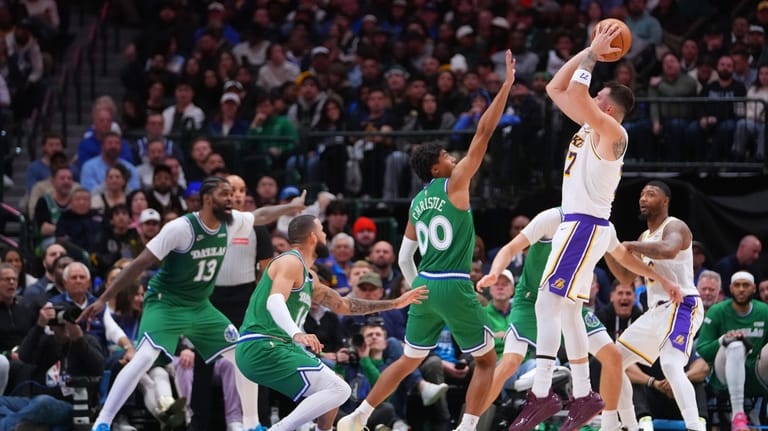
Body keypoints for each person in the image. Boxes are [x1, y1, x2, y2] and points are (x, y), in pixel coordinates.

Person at [338, 49, 516, 431]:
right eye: (448, 156)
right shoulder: (455, 185)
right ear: (437, 167)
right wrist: (505, 87)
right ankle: (467, 428)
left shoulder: (418, 202)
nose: (455, 158)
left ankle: (359, 415)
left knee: (407, 361)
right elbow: (483, 133)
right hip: (452, 283)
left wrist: (414, 288)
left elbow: (405, 256)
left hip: (424, 285)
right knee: (486, 361)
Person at [79, 176, 307, 431]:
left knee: (244, 353)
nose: (231, 199)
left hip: (200, 305)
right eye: (225, 194)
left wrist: (291, 207)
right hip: (166, 303)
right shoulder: (180, 228)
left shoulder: (230, 223)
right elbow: (138, 264)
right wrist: (102, 299)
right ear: (208, 199)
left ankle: (252, 424)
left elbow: (261, 215)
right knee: (144, 358)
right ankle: (102, 422)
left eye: (232, 194)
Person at [508, 23, 639, 431]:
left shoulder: (612, 132)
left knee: (547, 302)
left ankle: (542, 393)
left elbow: (579, 92)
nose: (594, 97)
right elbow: (556, 89)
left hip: (585, 225)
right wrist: (588, 49)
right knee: (567, 312)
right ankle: (584, 395)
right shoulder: (589, 126)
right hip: (578, 226)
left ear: (610, 108)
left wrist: (595, 56)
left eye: (601, 97)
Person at [477, 207, 677, 431]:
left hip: (571, 303)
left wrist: (660, 278)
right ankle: (470, 423)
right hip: (531, 301)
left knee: (613, 357)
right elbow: (510, 247)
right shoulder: (551, 218)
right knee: (510, 362)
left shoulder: (601, 227)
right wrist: (494, 272)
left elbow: (624, 264)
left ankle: (619, 425)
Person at [235, 214, 427, 431]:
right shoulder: (290, 261)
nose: (325, 234)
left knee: (333, 384)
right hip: (261, 344)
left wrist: (394, 303)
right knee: (340, 390)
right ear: (312, 236)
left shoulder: (309, 277)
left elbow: (343, 305)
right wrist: (296, 333)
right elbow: (274, 300)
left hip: (277, 346)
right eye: (322, 231)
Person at [605, 181, 702, 431]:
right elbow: (626, 277)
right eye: (641, 195)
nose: (643, 199)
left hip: (682, 303)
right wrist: (608, 249)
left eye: (651, 194)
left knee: (670, 363)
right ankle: (628, 425)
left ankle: (695, 426)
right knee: (614, 360)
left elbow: (668, 250)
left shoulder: (676, 226)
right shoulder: (643, 237)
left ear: (665, 201)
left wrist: (630, 247)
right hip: (656, 311)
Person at [695, 271, 768, 431]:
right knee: (735, 345)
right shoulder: (717, 311)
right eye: (737, 285)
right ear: (730, 288)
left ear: (754, 289)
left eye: (746, 285)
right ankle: (738, 417)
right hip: (724, 374)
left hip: (756, 373)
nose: (741, 289)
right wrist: (724, 339)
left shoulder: (765, 311)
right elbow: (702, 350)